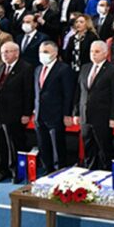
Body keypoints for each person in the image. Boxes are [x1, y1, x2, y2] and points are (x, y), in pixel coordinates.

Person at [0, 42, 34, 183]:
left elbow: (28, 93)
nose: (4, 55)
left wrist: (27, 113)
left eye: (8, 51)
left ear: (16, 53)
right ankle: (2, 170)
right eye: (2, 52)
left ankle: (16, 171)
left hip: (14, 113)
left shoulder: (25, 68)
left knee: (13, 144)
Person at [73, 41, 114, 171]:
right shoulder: (85, 68)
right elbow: (79, 92)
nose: (93, 54)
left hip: (103, 116)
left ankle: (106, 173)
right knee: (88, 147)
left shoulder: (113, 70)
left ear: (105, 53)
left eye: (97, 52)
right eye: (91, 51)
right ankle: (90, 171)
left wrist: (113, 117)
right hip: (85, 116)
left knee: (104, 149)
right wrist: (76, 112)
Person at [33, 41, 76, 174]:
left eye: (46, 52)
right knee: (43, 145)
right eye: (41, 52)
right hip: (40, 114)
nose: (42, 54)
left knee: (57, 146)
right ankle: (47, 170)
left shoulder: (64, 69)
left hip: (56, 114)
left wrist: (67, 114)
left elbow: (68, 93)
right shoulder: (38, 69)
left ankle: (59, 172)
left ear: (55, 53)